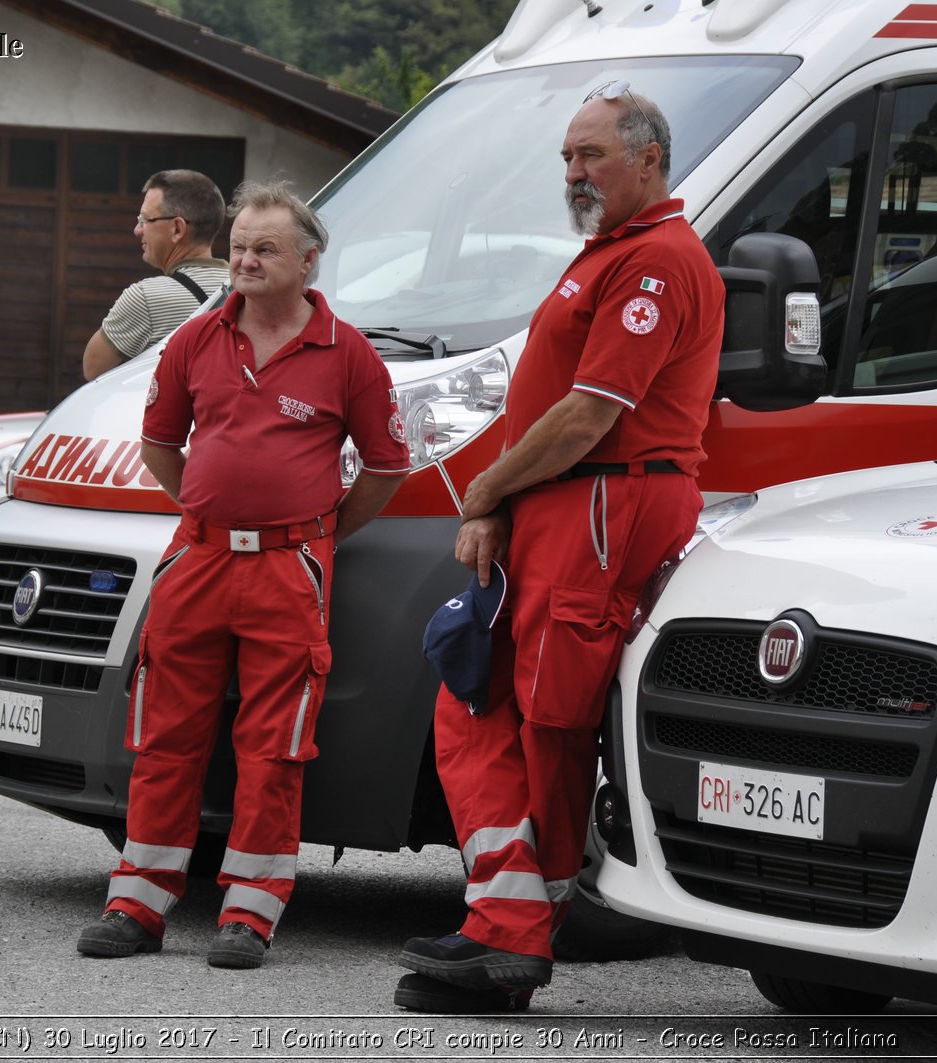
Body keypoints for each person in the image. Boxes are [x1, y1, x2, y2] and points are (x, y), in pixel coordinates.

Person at [395, 82, 725, 1011]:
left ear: (648, 158)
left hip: (603, 503)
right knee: (482, 698)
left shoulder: (655, 261)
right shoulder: (611, 254)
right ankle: (504, 922)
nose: (574, 173)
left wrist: (490, 488)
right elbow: (549, 406)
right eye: (567, 159)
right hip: (566, 506)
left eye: (592, 156)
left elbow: (589, 414)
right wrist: (501, 502)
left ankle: (513, 939)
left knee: (546, 718)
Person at [76, 180, 410, 969]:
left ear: (307, 260)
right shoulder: (194, 339)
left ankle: (249, 913)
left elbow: (388, 466)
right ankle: (139, 901)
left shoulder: (349, 353)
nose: (246, 261)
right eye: (238, 249)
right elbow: (161, 443)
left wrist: (316, 535)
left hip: (289, 570)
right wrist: (207, 510)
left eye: (264, 249)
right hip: (197, 561)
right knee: (164, 736)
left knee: (275, 745)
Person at [82, 169, 230, 380]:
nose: (137, 230)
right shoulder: (246, 291)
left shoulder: (146, 298)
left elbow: (93, 368)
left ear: (177, 229)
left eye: (145, 219)